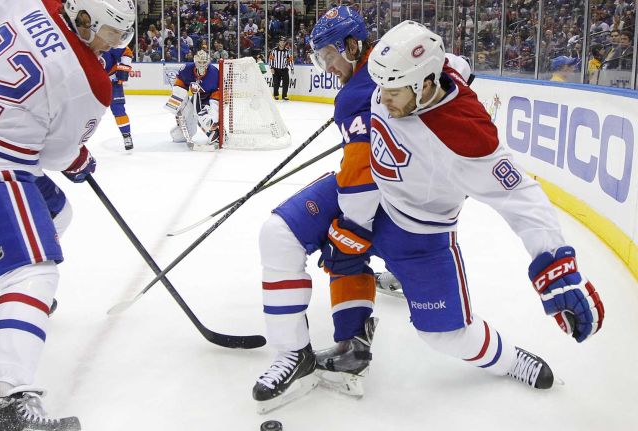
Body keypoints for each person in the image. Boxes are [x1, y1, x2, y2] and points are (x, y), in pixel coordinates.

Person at [360, 20, 602, 393]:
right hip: (369, 200)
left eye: (392, 91)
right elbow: (456, 63)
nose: (381, 97)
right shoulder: (421, 75)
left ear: (425, 84)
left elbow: (521, 196)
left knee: (444, 336)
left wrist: (556, 266)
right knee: (287, 232)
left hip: (420, 235)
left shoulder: (466, 136)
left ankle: (510, 360)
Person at [0, 0, 135, 429]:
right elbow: (57, 153)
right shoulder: (91, 81)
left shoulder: (36, 4)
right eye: (113, 33)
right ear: (84, 21)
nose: (119, 43)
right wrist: (78, 159)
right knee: (34, 272)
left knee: (57, 212)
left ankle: (25, 308)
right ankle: (7, 403)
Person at [251, 6, 400, 413]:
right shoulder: (389, 61)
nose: (328, 66)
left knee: (281, 235)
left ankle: (294, 354)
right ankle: (355, 333)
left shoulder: (356, 91)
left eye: (330, 56)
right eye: (321, 59)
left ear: (354, 45)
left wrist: (352, 229)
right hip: (421, 201)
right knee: (350, 245)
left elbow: (360, 175)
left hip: (386, 196)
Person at [163, 49, 220, 151]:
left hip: (210, 98)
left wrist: (213, 110)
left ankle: (215, 131)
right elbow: (181, 85)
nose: (202, 65)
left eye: (204, 62)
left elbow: (219, 92)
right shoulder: (187, 69)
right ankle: (207, 127)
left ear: (208, 62)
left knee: (204, 118)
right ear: (195, 61)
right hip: (196, 99)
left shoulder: (214, 73)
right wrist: (177, 102)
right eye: (200, 62)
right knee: (177, 137)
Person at [102, 45, 135, 150]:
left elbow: (127, 52)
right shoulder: (81, 44)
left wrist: (123, 69)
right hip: (91, 82)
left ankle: (126, 135)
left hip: (112, 81)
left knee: (118, 109)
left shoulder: (105, 41)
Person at [268, 36, 293, 100]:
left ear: (285, 43)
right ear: (279, 42)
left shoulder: (287, 51)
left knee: (286, 83)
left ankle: (284, 95)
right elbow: (271, 59)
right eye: (281, 42)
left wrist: (292, 68)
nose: (282, 43)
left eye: (283, 42)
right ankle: (276, 95)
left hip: (284, 69)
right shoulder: (274, 50)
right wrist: (271, 67)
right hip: (276, 69)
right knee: (276, 83)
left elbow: (290, 59)